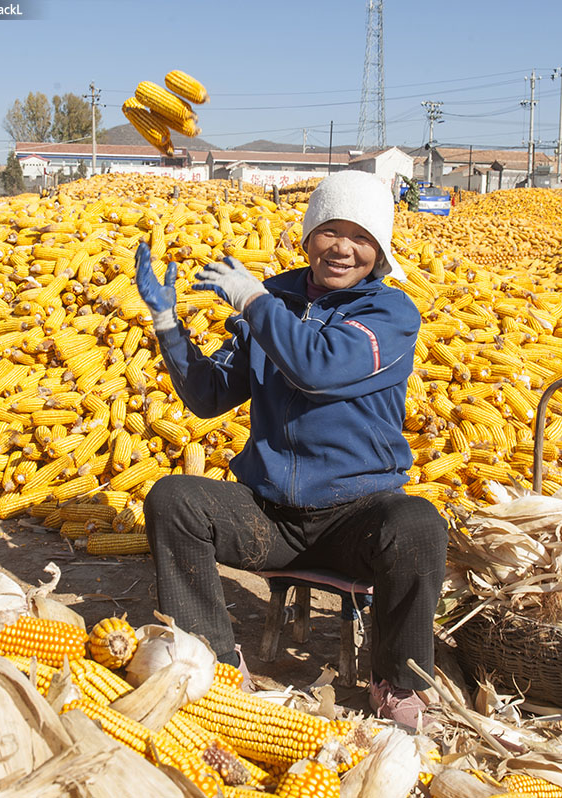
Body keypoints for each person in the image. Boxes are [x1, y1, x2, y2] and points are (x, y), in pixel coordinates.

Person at [134, 170, 447, 729]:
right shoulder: (273, 300)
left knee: (419, 522)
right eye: (330, 231)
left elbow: (317, 367)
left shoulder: (390, 315)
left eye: (361, 236)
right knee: (173, 499)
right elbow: (208, 396)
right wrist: (167, 325)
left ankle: (400, 683)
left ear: (380, 248)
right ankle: (216, 665)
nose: (343, 248)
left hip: (355, 519)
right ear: (308, 237)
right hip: (272, 519)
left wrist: (255, 300)